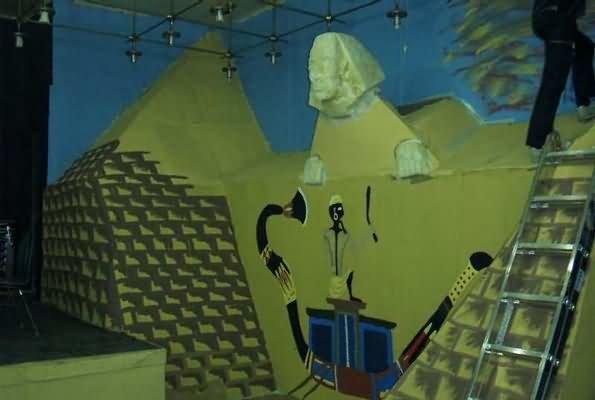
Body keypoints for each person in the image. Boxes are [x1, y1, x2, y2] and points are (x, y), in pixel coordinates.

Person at [527, 0, 595, 157]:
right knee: (554, 82)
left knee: (585, 47)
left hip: (550, 16)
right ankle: (538, 143)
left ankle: (584, 105)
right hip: (558, 19)